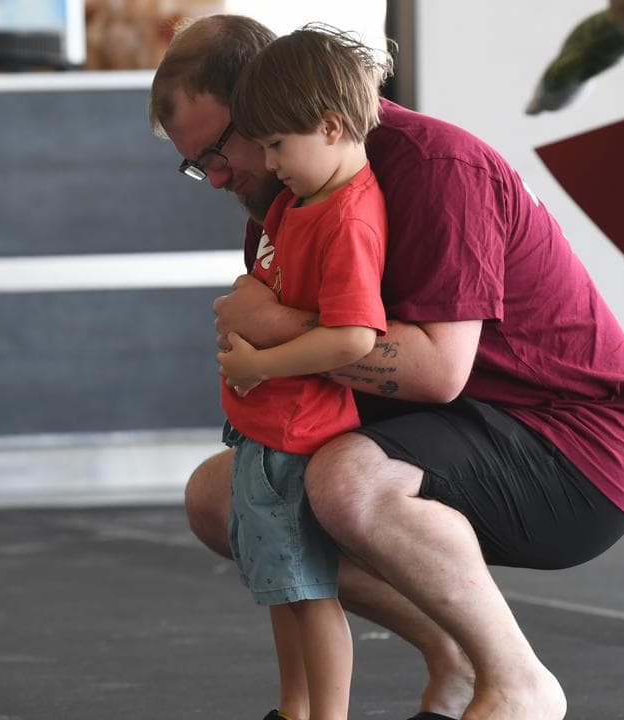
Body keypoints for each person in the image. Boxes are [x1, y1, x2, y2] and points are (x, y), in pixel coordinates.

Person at [148, 13, 624, 720]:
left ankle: (519, 682)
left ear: (273, 103)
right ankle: (453, 661)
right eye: (200, 165)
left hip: (576, 448)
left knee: (346, 481)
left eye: (222, 152)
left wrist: (272, 327)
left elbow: (439, 371)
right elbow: (300, 377)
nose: (219, 180)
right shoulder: (282, 198)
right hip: (449, 425)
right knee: (226, 497)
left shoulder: (437, 166)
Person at [214, 25, 392, 720]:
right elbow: (274, 284)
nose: (268, 162)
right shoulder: (301, 201)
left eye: (279, 146)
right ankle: (294, 708)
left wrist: (262, 361)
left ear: (330, 125)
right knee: (282, 591)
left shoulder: (347, 218)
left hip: (297, 434)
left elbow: (351, 336)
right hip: (265, 431)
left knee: (309, 596)